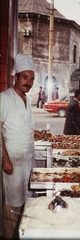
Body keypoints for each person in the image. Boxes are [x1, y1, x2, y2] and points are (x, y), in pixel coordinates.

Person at [0, 53, 36, 239]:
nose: (28, 82)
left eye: (31, 79)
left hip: (28, 162)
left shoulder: (27, 100)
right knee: (12, 210)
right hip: (12, 163)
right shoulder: (4, 98)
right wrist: (5, 159)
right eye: (25, 77)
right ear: (15, 77)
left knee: (26, 206)